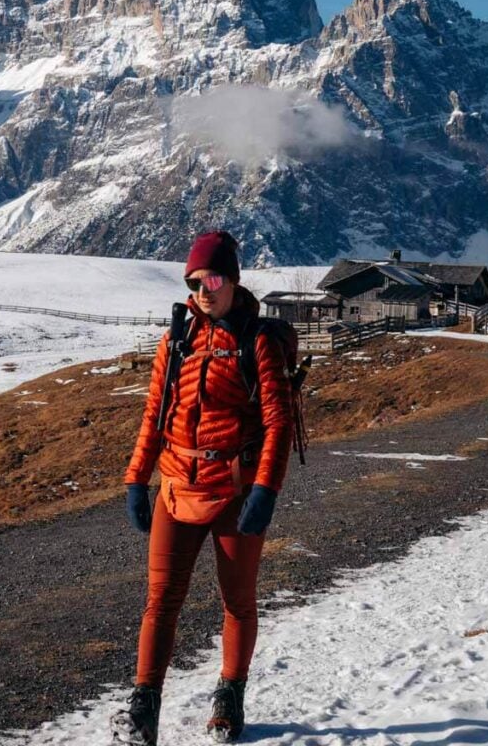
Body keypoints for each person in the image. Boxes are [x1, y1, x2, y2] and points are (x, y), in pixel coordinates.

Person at [112, 230, 293, 745]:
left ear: (233, 279)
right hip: (175, 484)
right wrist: (135, 480)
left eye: (212, 278)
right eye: (194, 281)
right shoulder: (175, 341)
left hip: (235, 492)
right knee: (160, 602)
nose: (203, 289)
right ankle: (143, 710)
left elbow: (277, 423)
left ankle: (229, 698)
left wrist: (266, 490)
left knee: (236, 603)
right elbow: (155, 414)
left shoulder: (257, 342)